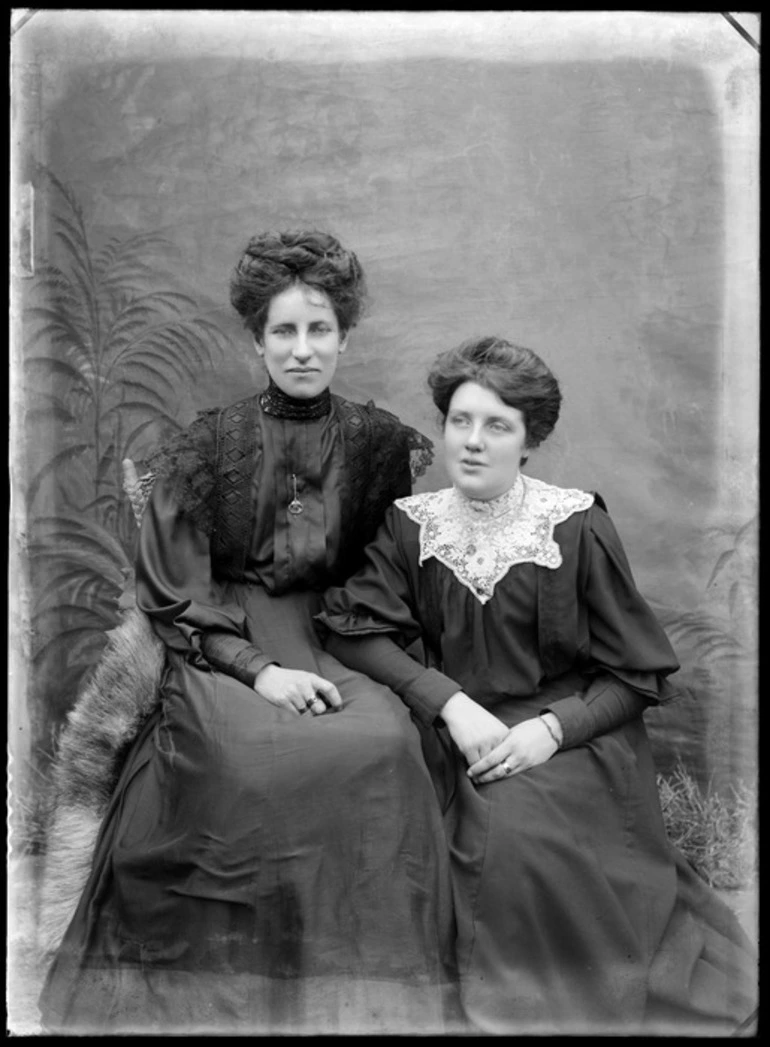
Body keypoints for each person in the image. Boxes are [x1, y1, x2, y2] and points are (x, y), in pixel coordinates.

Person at [38, 230, 458, 1035]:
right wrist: (258, 670)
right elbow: (173, 591)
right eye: (284, 332)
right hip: (221, 636)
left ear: (345, 335)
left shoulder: (378, 443)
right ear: (256, 339)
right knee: (242, 759)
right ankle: (231, 992)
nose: (303, 350)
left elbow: (383, 570)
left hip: (341, 630)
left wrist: (364, 644)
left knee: (384, 747)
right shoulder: (204, 448)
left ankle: (369, 993)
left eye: (320, 330)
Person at [316, 336, 758, 1035]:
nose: (472, 441)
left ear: (530, 440)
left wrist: (551, 730)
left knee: (520, 841)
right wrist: (448, 701)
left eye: (497, 426)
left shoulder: (576, 525)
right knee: (396, 830)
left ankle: (530, 1015)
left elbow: (636, 676)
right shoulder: (412, 527)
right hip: (454, 728)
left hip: (575, 732)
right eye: (460, 420)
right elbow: (351, 629)